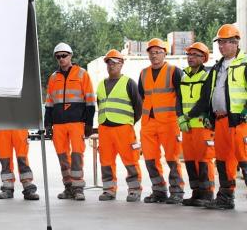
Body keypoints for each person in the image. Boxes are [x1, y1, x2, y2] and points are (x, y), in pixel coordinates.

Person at [187, 24, 247, 210]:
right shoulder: (217, 67)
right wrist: (200, 114)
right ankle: (225, 198)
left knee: (244, 160)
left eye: (226, 42)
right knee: (223, 160)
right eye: (220, 42)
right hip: (220, 122)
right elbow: (207, 96)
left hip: (240, 122)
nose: (221, 46)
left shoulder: (244, 64)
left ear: (236, 43)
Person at [44, 42, 95, 201]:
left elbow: (90, 101)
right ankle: (68, 188)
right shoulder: (53, 78)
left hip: (77, 123)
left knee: (77, 155)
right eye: (58, 57)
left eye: (64, 56)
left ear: (71, 56)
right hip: (58, 124)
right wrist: (48, 125)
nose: (61, 59)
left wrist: (88, 123)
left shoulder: (82, 74)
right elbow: (49, 103)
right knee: (62, 156)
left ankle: (78, 188)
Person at [138, 38, 185, 204]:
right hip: (148, 123)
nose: (154, 55)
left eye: (158, 52)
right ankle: (159, 191)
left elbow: (181, 97)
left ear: (165, 53)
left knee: (172, 158)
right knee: (150, 159)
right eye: (151, 53)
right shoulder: (143, 73)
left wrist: (181, 118)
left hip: (169, 122)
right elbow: (142, 97)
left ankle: (177, 191)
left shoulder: (174, 71)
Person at [96, 49, 143, 202]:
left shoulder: (129, 83)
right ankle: (109, 190)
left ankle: (134, 190)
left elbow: (138, 107)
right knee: (106, 161)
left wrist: (129, 121)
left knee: (130, 160)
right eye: (109, 63)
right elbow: (100, 105)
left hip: (124, 128)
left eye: (115, 63)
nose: (111, 66)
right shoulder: (101, 84)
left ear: (121, 64)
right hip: (105, 128)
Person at [177, 42, 216, 207]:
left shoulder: (206, 76)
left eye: (195, 55)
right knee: (190, 160)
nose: (191, 58)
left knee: (204, 159)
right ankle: (196, 193)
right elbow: (178, 99)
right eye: (189, 55)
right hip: (187, 127)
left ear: (204, 58)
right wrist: (179, 116)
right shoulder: (184, 76)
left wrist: (187, 116)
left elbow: (204, 100)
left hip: (201, 125)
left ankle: (207, 194)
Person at [0, 129, 39, 200]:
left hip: (19, 123)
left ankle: (27, 186)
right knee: (5, 157)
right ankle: (7, 187)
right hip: (3, 123)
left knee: (21, 156)